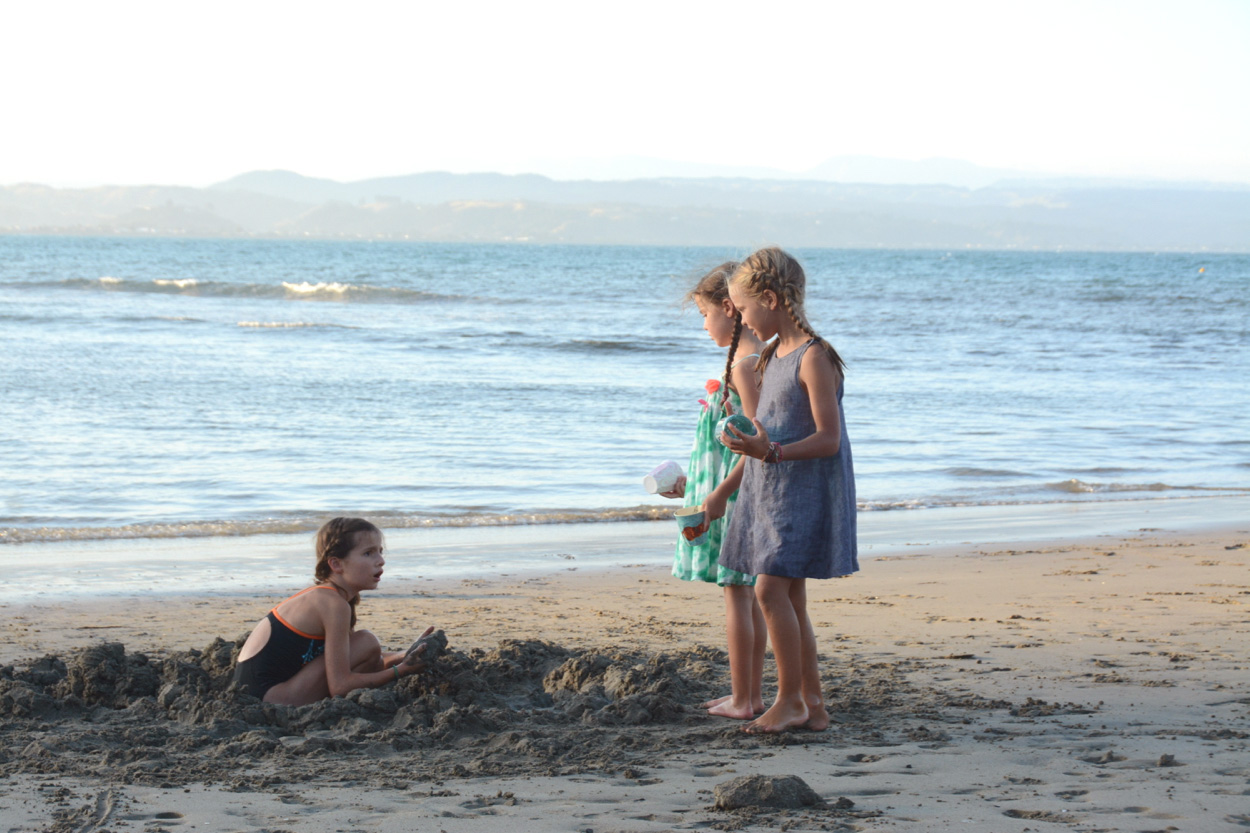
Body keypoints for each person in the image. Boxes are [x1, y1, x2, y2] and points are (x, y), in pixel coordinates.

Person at [702, 247, 858, 734]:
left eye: (745, 309)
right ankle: (812, 704)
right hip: (771, 492)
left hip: (802, 492)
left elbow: (829, 439)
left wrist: (771, 452)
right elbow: (768, 429)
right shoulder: (771, 356)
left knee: (769, 589)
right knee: (789, 598)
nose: (743, 320)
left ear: (770, 299)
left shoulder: (814, 357)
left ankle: (789, 700)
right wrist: (744, 453)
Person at [662, 261, 769, 720]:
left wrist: (720, 493)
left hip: (737, 496)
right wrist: (695, 483)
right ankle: (750, 695)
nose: (704, 326)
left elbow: (758, 442)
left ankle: (745, 699)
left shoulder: (745, 366)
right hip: (731, 489)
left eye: (705, 314)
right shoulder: (751, 360)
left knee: (738, 595)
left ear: (729, 307)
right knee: (749, 595)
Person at [232, 517, 436, 705]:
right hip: (272, 700)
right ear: (336, 564)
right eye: (368, 553)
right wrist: (400, 671)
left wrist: (406, 654)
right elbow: (340, 686)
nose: (381, 560)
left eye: (380, 551)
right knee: (367, 641)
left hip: (263, 694)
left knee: (369, 650)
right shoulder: (333, 604)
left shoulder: (331, 597)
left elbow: (352, 657)